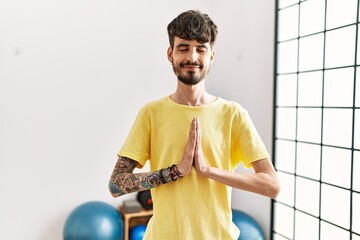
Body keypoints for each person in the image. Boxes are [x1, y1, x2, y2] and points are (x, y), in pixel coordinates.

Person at [109, 9, 280, 240]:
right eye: (183, 48)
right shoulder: (150, 113)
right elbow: (116, 185)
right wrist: (175, 172)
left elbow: (271, 185)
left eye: (201, 48)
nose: (192, 57)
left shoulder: (233, 114)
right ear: (170, 54)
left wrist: (208, 171)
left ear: (211, 56)